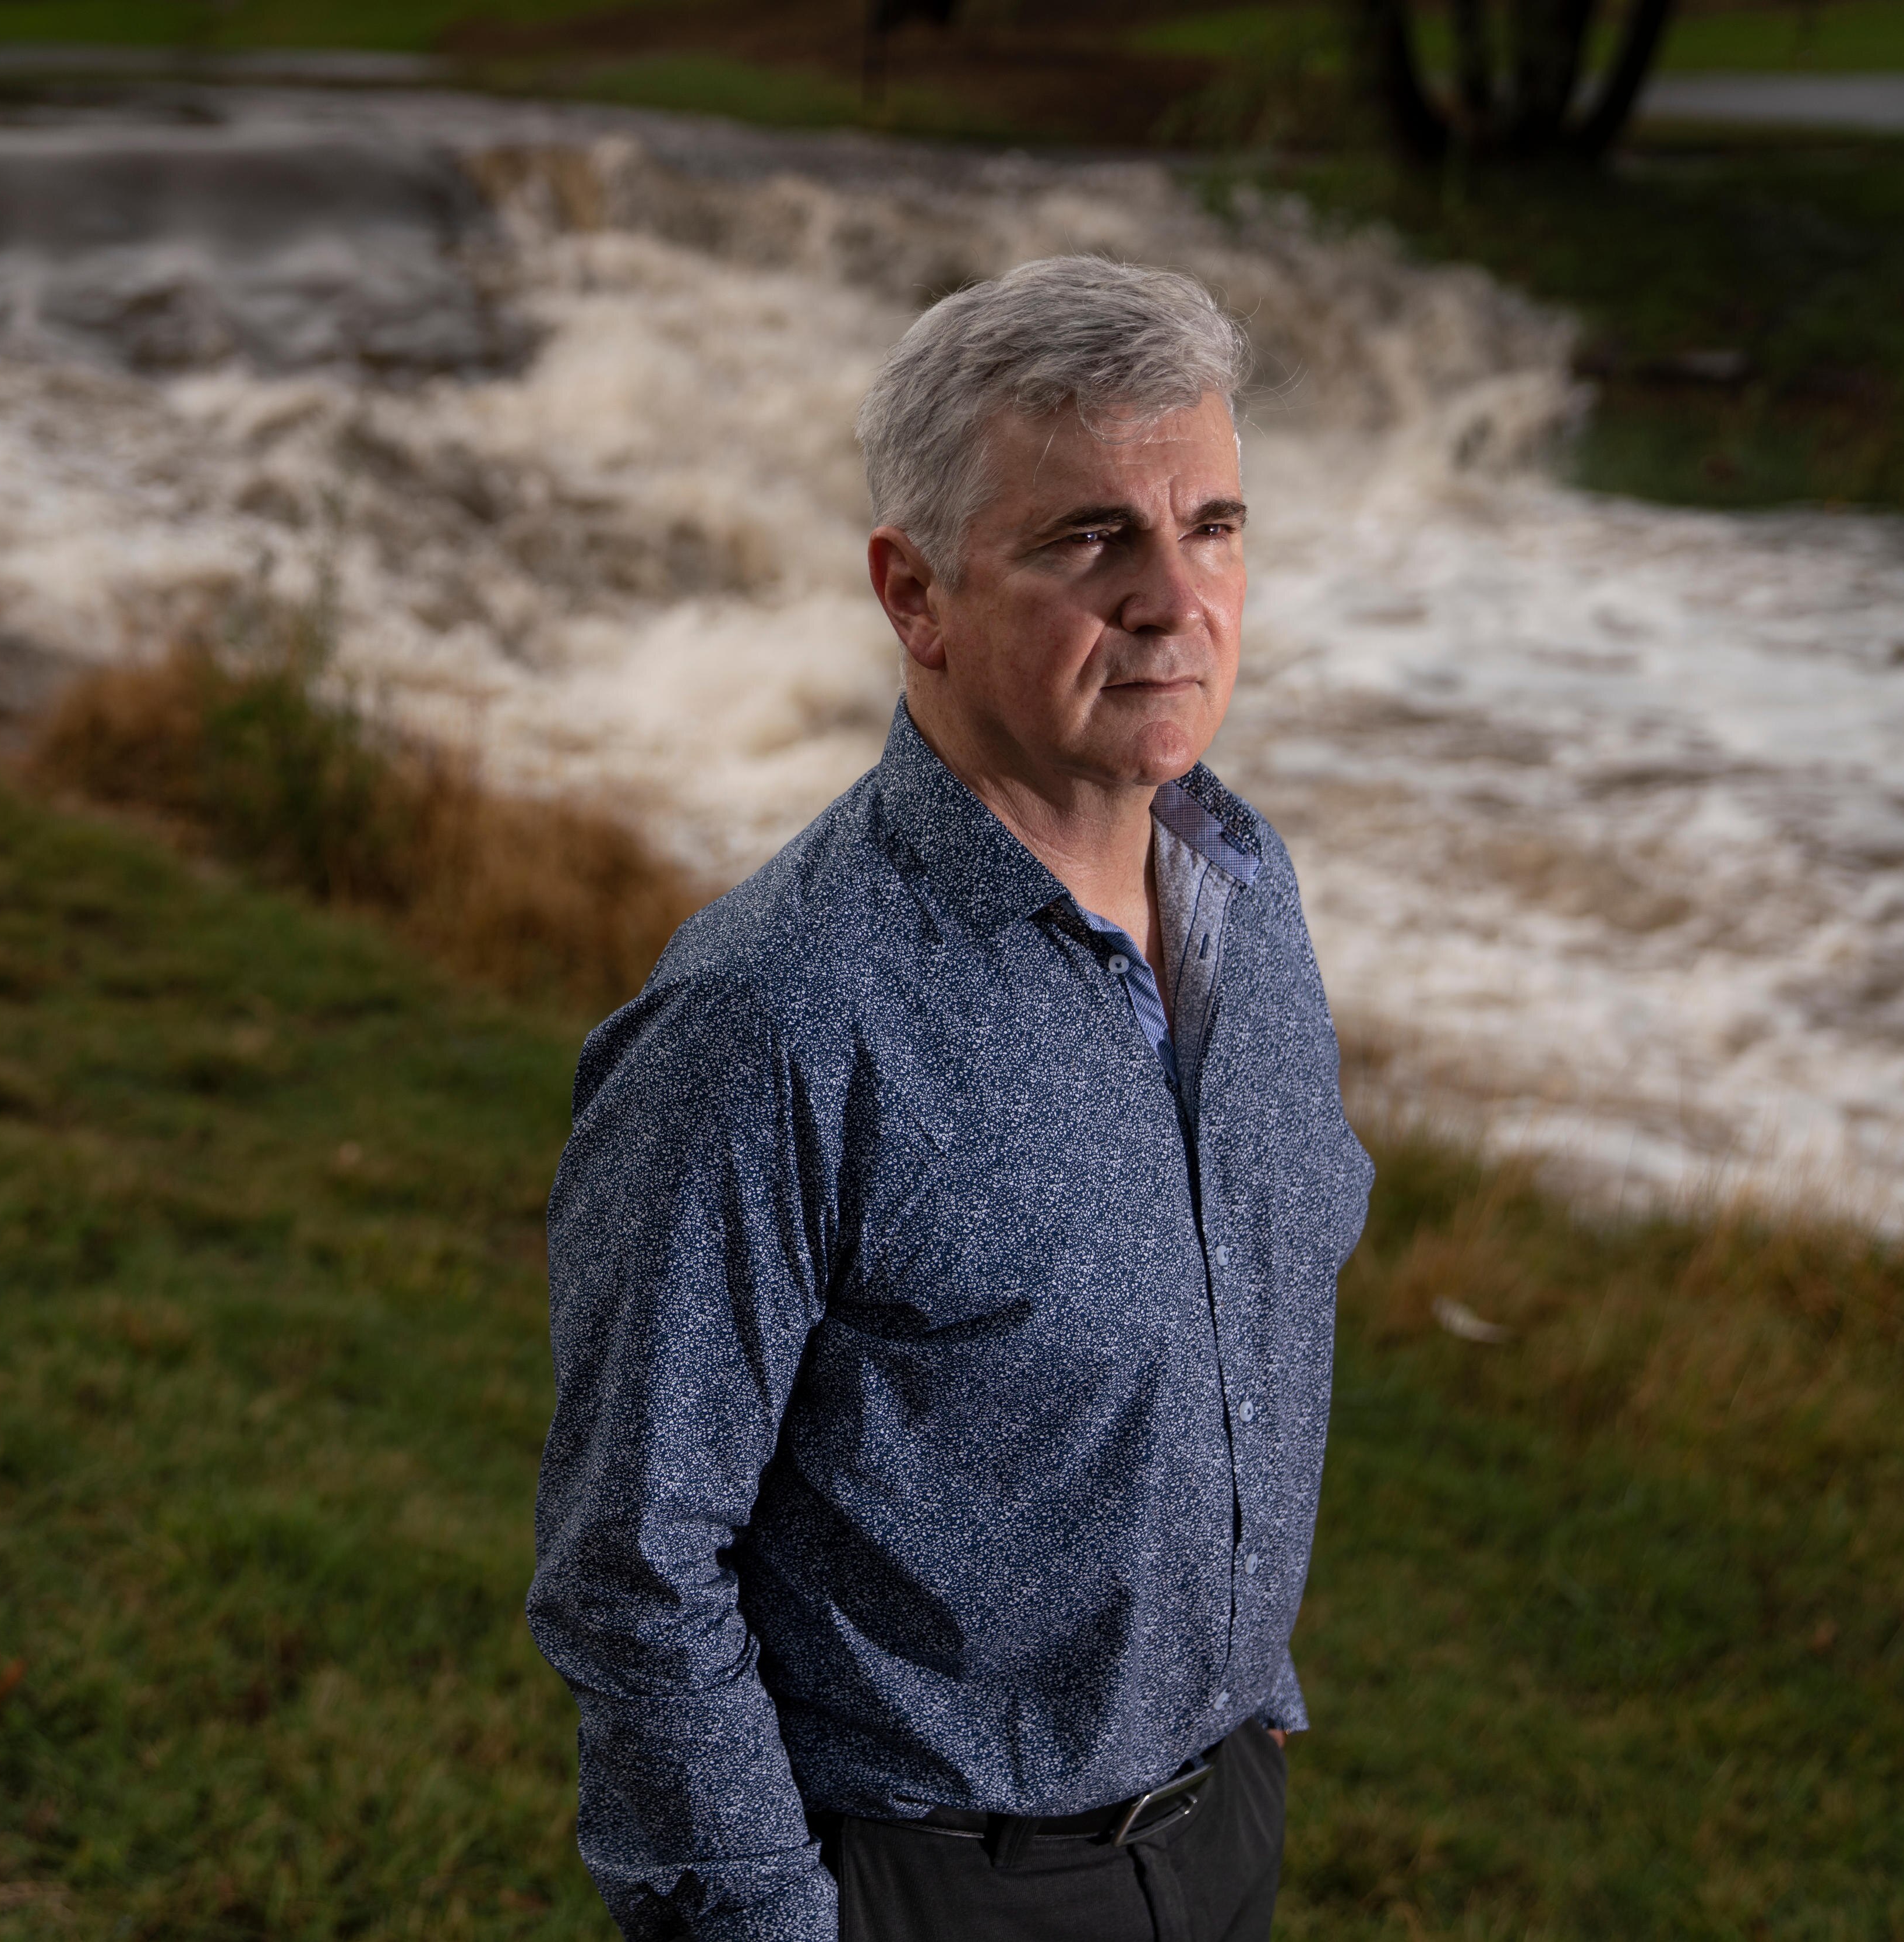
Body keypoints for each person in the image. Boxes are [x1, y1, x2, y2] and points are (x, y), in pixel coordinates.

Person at [527, 256, 1373, 1942]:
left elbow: (1253, 1316)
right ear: (914, 597)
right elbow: (632, 1567)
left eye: (1211, 525)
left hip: (1217, 1829)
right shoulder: (769, 1017)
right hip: (924, 1886)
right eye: (1089, 542)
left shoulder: (1244, 892)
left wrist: (1246, 1695)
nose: (1174, 599)